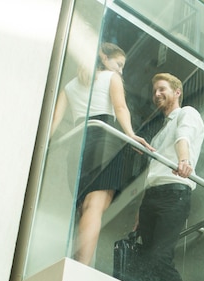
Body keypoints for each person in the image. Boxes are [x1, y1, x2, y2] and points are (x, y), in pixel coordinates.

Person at [51, 42, 152, 265]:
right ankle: (81, 267)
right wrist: (130, 134)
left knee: (85, 209)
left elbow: (53, 123)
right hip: (103, 141)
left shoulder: (69, 86)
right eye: (119, 64)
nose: (121, 70)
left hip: (78, 145)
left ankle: (79, 262)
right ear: (104, 58)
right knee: (94, 207)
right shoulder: (110, 78)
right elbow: (120, 108)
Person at [132, 73, 204, 281]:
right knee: (145, 262)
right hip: (152, 197)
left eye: (162, 89)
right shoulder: (159, 132)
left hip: (174, 193)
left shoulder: (187, 114)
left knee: (159, 257)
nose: (156, 94)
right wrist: (139, 214)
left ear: (177, 92)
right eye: (154, 91)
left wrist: (184, 161)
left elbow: (183, 138)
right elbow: (153, 171)